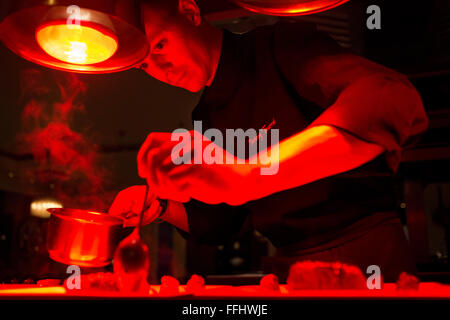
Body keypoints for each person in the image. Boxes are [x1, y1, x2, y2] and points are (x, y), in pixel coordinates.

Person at [109, 0, 429, 282]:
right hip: (289, 269)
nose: (158, 69)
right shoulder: (207, 114)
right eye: (144, 64)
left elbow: (389, 99)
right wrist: (161, 204)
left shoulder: (281, 45)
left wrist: (248, 175)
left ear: (190, 11)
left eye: (160, 46)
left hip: (369, 255)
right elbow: (222, 222)